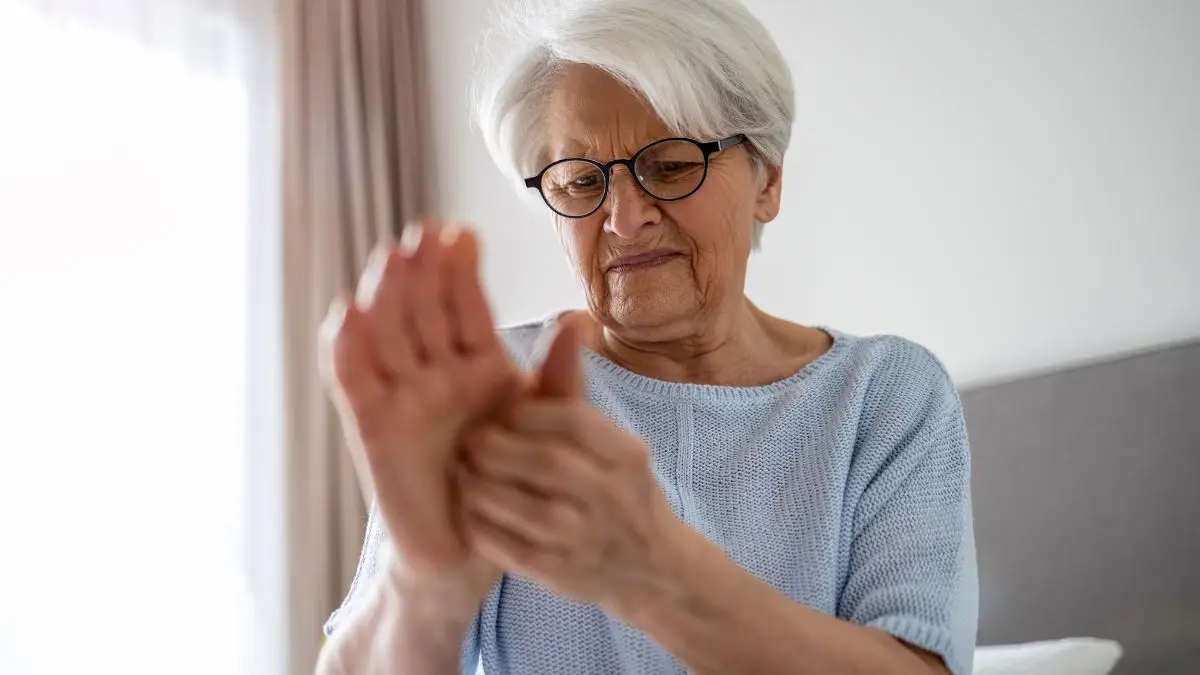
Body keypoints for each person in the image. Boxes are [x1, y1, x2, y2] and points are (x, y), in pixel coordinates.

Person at [315, 0, 978, 673]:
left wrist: (655, 571)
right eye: (580, 180)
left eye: (669, 165)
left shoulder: (883, 396)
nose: (624, 219)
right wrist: (424, 584)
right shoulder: (497, 389)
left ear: (768, 180)